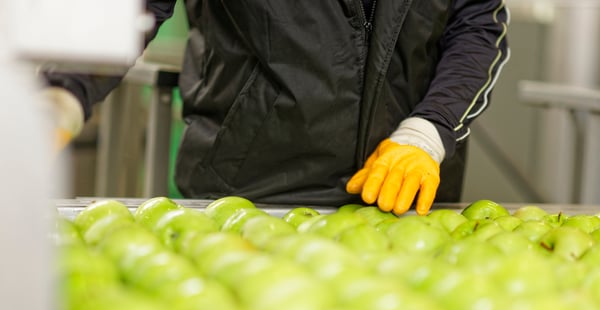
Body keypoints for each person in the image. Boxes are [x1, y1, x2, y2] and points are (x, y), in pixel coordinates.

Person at [44, 0, 510, 215]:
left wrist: (428, 131)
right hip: (249, 196)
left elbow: (476, 23)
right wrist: (64, 95)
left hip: (403, 197)